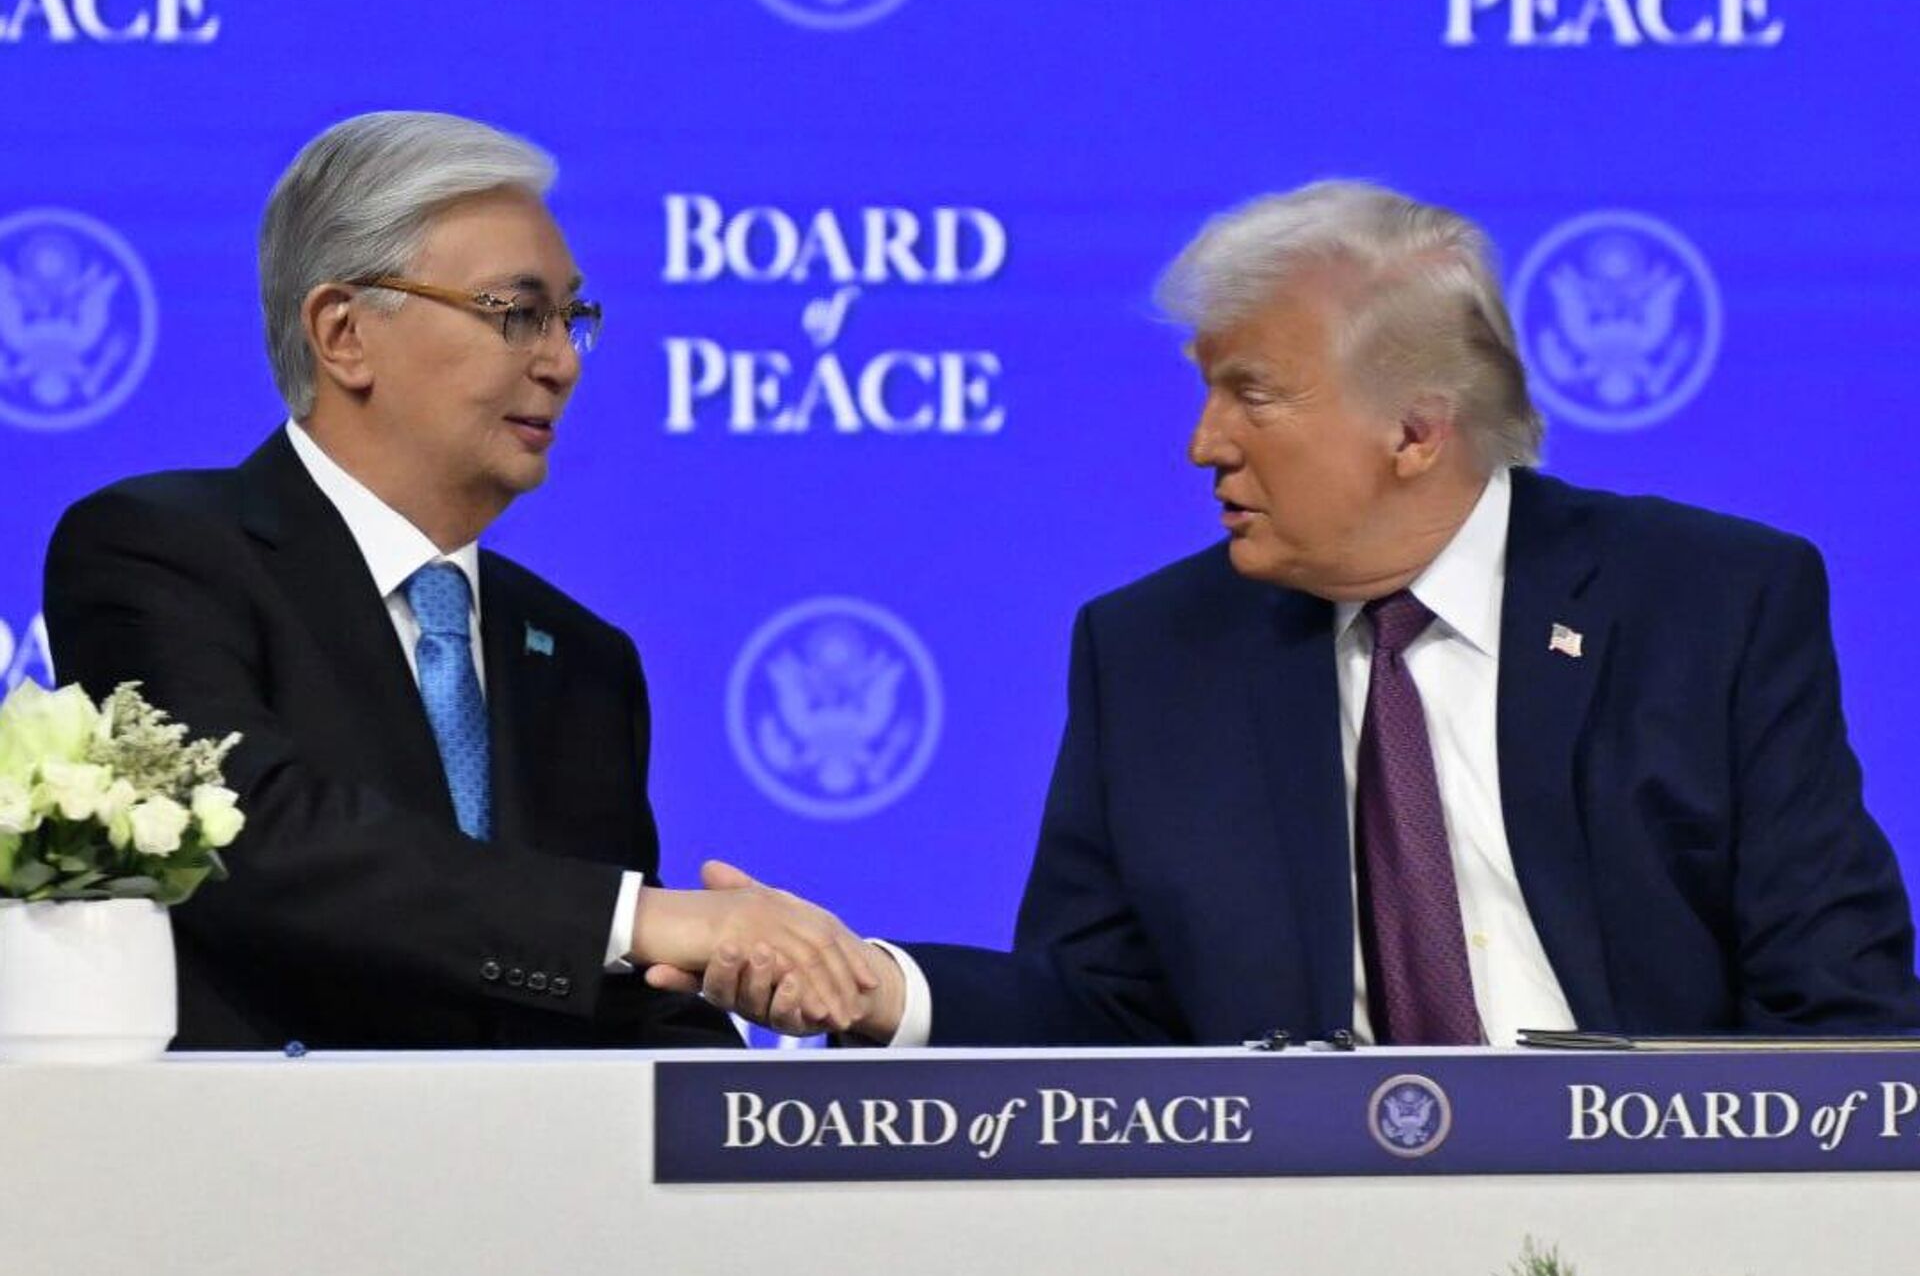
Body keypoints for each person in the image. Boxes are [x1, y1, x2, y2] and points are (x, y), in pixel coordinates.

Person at [658, 180, 1920, 1046]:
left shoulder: (1705, 606)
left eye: (1252, 395)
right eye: (1208, 392)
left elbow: (1841, 1008)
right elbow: (1099, 1018)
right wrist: (882, 990)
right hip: (1293, 1242)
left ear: (1415, 430)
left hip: (1657, 1240)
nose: (1204, 444)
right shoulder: (1153, 654)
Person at [44, 111, 874, 1050]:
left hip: (533, 1147)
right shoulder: (160, 552)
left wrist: (778, 1032)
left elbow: (609, 994)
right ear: (344, 333)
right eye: (516, 314)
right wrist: (639, 917)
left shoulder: (582, 657)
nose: (562, 362)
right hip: (264, 1137)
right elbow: (249, 837)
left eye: (573, 318)